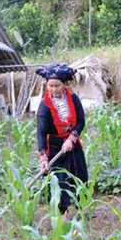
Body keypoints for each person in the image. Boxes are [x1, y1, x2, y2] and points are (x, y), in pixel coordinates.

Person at [36, 64, 88, 218]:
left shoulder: (72, 98)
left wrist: (72, 137)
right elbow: (41, 133)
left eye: (57, 85)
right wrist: (43, 156)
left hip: (73, 144)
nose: (54, 89)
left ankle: (82, 208)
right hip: (55, 146)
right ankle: (62, 214)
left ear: (64, 84)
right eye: (50, 86)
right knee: (60, 181)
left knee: (80, 175)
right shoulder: (44, 107)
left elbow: (81, 121)